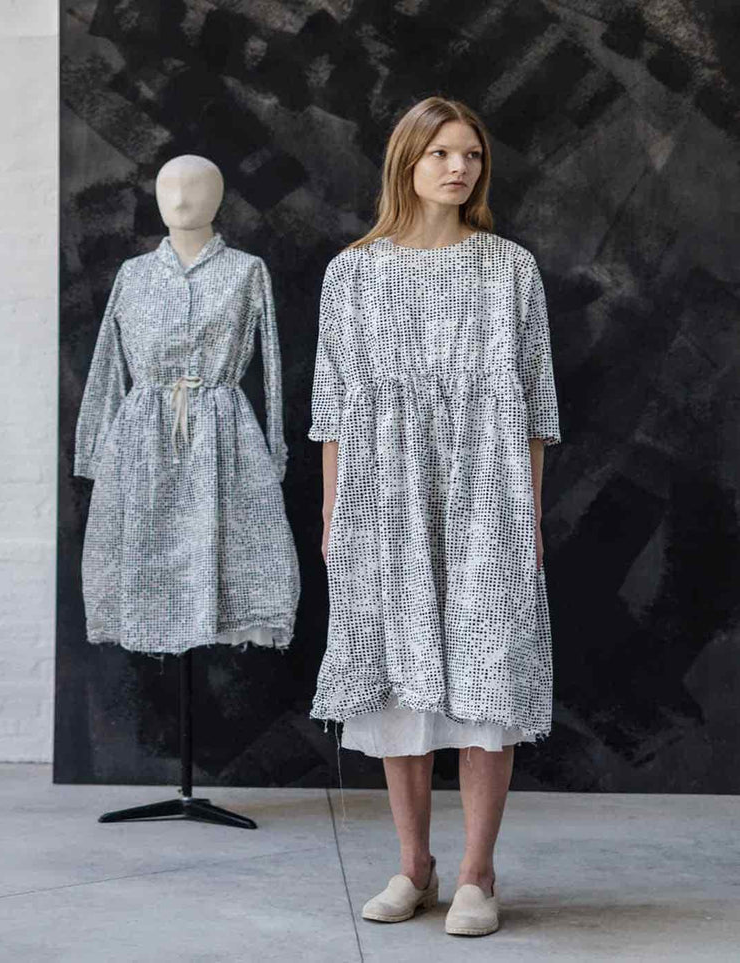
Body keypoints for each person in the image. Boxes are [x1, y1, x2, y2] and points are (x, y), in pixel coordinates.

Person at [307, 96, 561, 938]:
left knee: (487, 674)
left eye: (471, 155)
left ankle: (476, 874)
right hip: (383, 495)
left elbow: (535, 409)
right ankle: (412, 865)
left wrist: (527, 515)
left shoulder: (508, 267)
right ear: (406, 162)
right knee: (396, 677)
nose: (458, 167)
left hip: (487, 491)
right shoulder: (353, 272)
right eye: (441, 153)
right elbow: (332, 409)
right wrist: (332, 513)